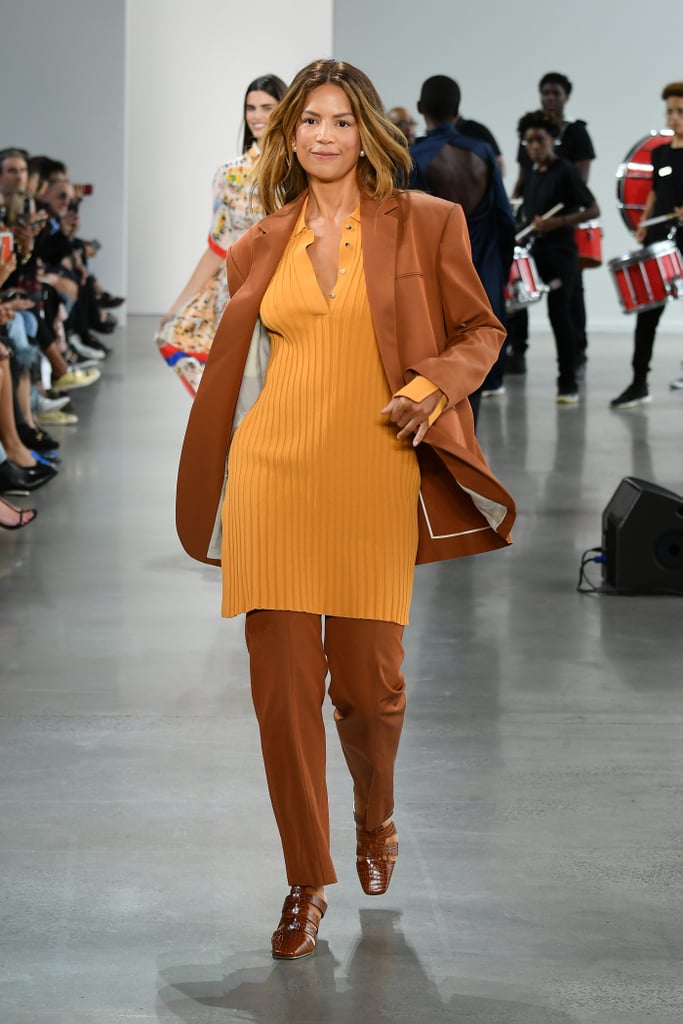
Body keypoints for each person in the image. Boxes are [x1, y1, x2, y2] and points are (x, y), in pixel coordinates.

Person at [176, 58, 515, 960]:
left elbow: (482, 331)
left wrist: (433, 385)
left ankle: (375, 815)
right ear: (287, 135)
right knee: (283, 699)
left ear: (368, 130)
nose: (323, 136)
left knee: (368, 689)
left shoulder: (426, 223)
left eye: (339, 120)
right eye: (307, 121)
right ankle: (304, 879)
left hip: (373, 470)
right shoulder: (262, 241)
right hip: (272, 473)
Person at [157, 74, 287, 396]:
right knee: (238, 386)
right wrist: (179, 304)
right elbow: (218, 246)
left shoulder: (297, 171)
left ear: (285, 110)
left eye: (267, 107)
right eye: (251, 107)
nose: (257, 116)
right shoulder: (229, 174)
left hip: (284, 287)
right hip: (235, 290)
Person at [409, 75, 515, 410]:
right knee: (475, 360)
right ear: (458, 110)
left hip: (433, 281)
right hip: (482, 271)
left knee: (437, 368)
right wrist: (501, 270)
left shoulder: (413, 157)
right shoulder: (482, 151)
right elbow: (505, 217)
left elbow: (406, 226)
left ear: (420, 108)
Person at [508, 72, 597, 375]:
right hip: (536, 238)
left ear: (566, 96)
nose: (550, 98)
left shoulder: (575, 137)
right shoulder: (534, 161)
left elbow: (585, 195)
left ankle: (574, 363)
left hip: (561, 238)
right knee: (517, 291)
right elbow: (523, 180)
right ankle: (517, 353)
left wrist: (558, 218)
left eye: (555, 93)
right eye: (545, 92)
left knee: (565, 306)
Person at [610, 82, 683, 407]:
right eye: (670, 111)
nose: (674, 117)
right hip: (659, 239)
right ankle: (639, 382)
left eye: (680, 111)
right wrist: (643, 223)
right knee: (648, 313)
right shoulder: (660, 152)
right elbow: (654, 190)